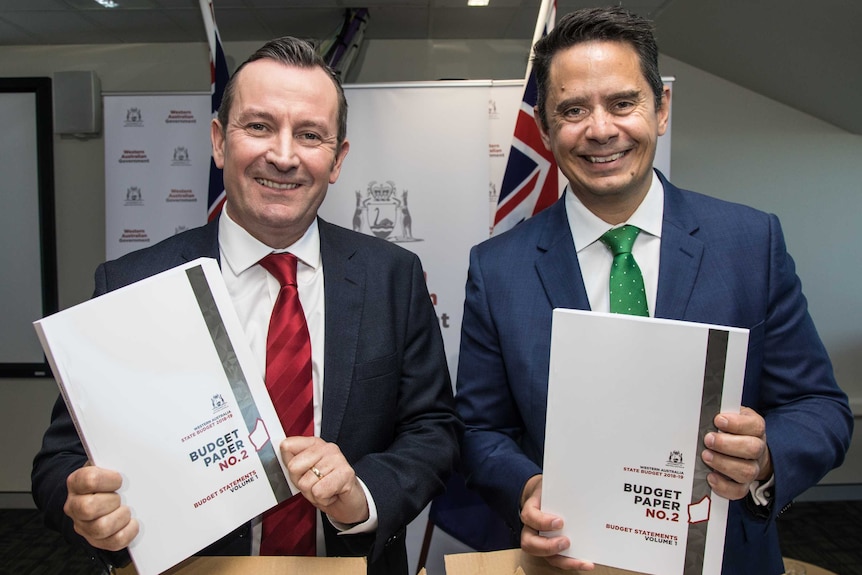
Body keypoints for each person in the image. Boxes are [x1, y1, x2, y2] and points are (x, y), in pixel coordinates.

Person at [31, 36, 461, 575]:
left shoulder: (392, 276)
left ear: (337, 159)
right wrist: (84, 508)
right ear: (218, 141)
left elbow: (432, 428)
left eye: (309, 135)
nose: (283, 156)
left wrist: (363, 496)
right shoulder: (133, 282)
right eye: (259, 126)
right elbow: (61, 462)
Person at [454, 7, 853, 575]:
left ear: (660, 109)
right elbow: (480, 430)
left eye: (623, 103)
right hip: (569, 560)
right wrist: (527, 489)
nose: (600, 129)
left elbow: (821, 408)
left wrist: (765, 458)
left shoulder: (750, 243)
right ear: (544, 128)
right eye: (572, 110)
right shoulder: (498, 270)